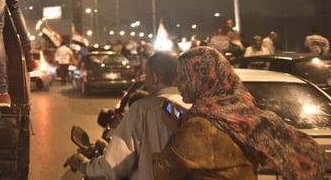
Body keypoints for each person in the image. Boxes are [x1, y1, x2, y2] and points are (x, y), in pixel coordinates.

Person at [152, 46, 324, 180]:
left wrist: (173, 129)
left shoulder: (199, 126)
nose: (177, 83)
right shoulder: (240, 113)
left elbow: (164, 172)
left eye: (183, 77)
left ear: (201, 79)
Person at [65, 50, 187, 180]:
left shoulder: (142, 110)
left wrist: (83, 164)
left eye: (147, 75)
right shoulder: (196, 105)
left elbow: (112, 166)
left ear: (155, 77)